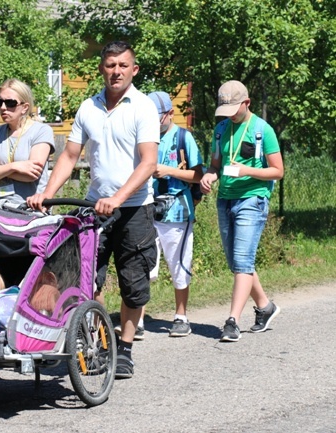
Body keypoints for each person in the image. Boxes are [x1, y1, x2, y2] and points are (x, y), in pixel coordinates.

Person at [27, 41, 159, 379]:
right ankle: (97, 343)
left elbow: (148, 163)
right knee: (86, 280)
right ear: (102, 68)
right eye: (110, 65)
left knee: (133, 283)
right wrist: (47, 193)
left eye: (123, 65)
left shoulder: (142, 107)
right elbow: (70, 156)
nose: (116, 71)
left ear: (134, 69)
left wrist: (118, 197)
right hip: (94, 209)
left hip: (133, 209)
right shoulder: (89, 107)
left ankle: (125, 349)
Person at [200, 80, 284, 342]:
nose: (229, 116)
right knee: (237, 263)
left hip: (253, 199)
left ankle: (232, 321)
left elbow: (278, 171)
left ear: (246, 103)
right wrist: (209, 177)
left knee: (243, 262)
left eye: (234, 110)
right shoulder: (220, 129)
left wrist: (247, 170)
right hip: (225, 199)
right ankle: (266, 307)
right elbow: (215, 165)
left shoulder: (262, 130)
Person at [141, 90, 205, 338]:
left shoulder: (183, 137)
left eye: (155, 117)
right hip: (146, 209)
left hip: (177, 211)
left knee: (178, 264)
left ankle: (181, 315)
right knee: (142, 265)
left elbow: (198, 175)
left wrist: (169, 170)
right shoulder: (143, 137)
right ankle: (138, 318)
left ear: (169, 113)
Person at [0, 79, 55, 207]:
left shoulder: (41, 131)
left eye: (10, 103)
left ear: (24, 108)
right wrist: (14, 167)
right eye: (0, 102)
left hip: (30, 208)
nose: (3, 107)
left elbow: (32, 174)